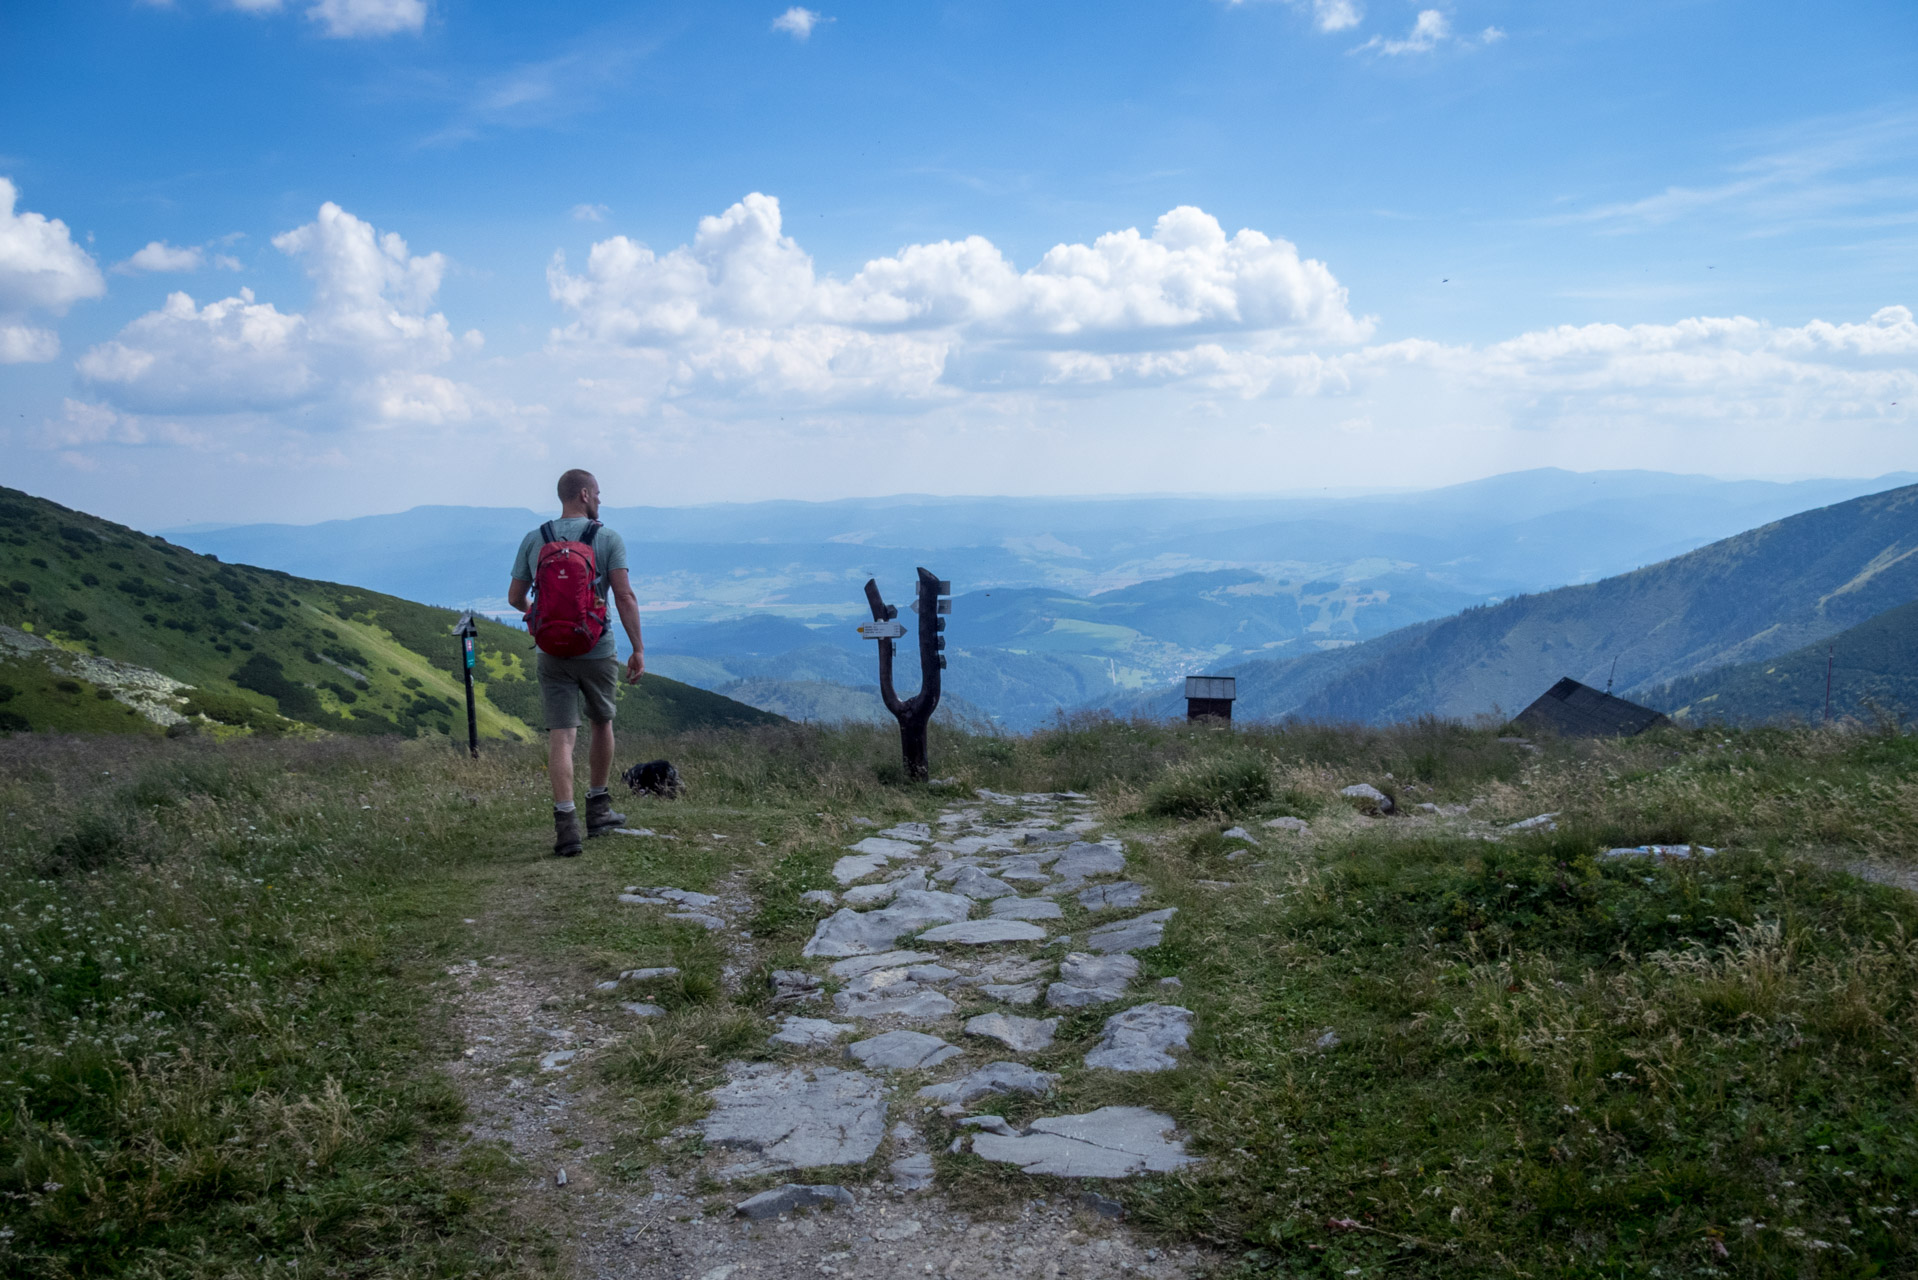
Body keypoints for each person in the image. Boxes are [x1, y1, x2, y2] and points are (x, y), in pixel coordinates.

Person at [507, 469, 645, 856]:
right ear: (584, 494)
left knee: (562, 736)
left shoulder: (536, 538)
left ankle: (566, 826)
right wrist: (638, 648)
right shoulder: (607, 538)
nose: (600, 499)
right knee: (602, 722)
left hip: (552, 651)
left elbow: (515, 596)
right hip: (597, 647)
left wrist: (541, 618)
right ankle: (598, 810)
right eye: (598, 493)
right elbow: (625, 596)